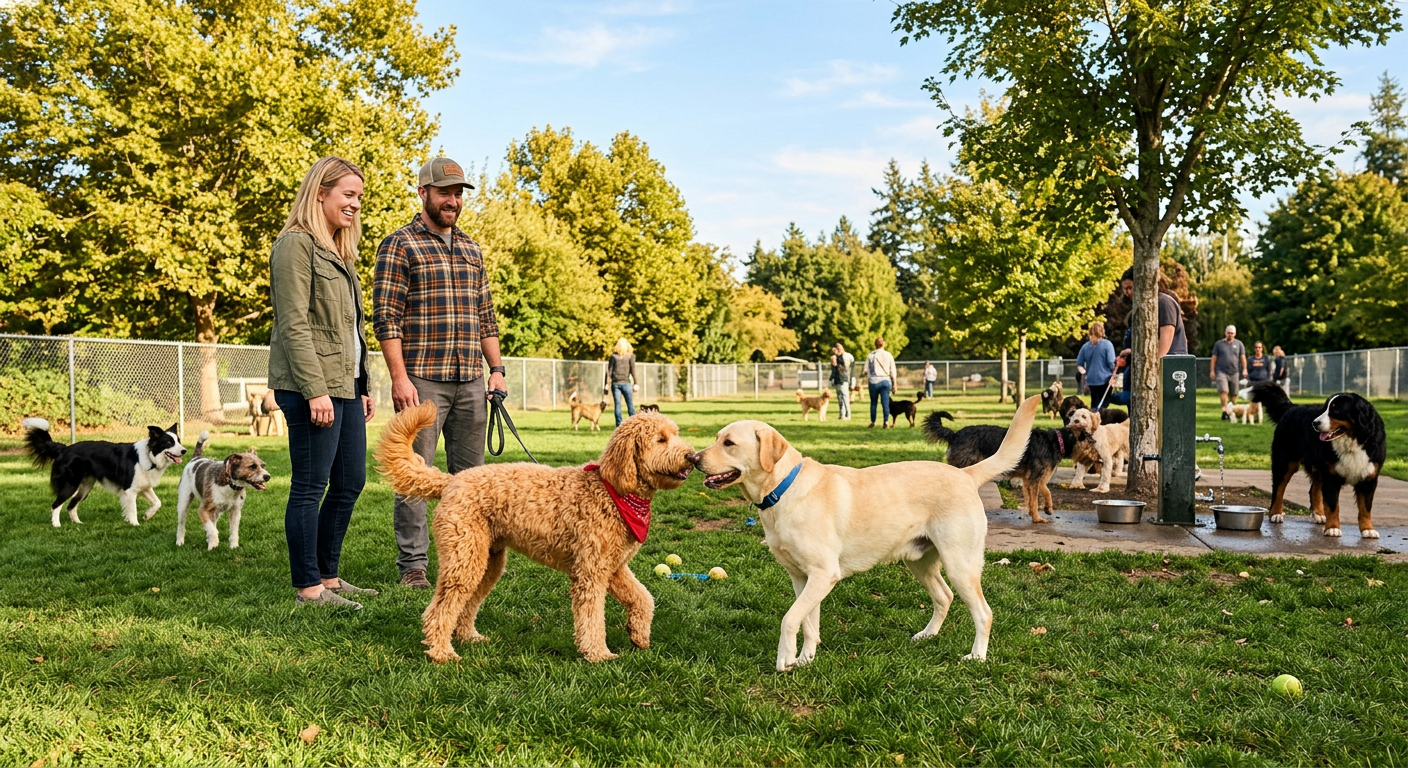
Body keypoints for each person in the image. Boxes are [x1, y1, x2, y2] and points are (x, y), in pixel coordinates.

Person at [374, 157, 507, 590]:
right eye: (444, 192)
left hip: (471, 378)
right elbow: (387, 318)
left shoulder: (471, 248)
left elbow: (486, 316)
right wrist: (399, 377)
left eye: (458, 193)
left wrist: (497, 371)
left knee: (474, 480)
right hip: (422, 380)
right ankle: (413, 566)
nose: (453, 200)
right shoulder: (399, 245)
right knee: (415, 475)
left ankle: (474, 559)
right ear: (423, 193)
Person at [268, 156, 378, 610]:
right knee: (310, 485)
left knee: (351, 480)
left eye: (358, 197)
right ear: (320, 193)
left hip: (345, 383)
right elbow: (294, 324)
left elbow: (350, 328)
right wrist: (316, 390)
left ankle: (330, 577)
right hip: (311, 385)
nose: (355, 204)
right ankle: (308, 588)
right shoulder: (296, 245)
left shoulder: (338, 251)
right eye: (347, 195)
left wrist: (363, 383)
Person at [1075, 322, 1117, 408]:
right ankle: (1098, 418)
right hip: (1098, 380)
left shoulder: (1104, 345)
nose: (1095, 339)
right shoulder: (1106, 345)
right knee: (1101, 405)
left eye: (1097, 336)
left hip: (1101, 381)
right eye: (1093, 336)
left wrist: (1113, 377)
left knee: (1097, 404)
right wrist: (1083, 372)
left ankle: (1097, 418)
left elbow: (1079, 364)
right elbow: (1112, 363)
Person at [1210, 325, 1247, 419]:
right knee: (1224, 391)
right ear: (1225, 333)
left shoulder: (1239, 344)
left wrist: (1244, 369)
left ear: (1235, 334)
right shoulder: (1219, 344)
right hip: (1221, 371)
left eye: (1232, 333)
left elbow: (1242, 358)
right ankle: (1224, 410)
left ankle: (1232, 410)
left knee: (1234, 393)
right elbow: (1214, 358)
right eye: (1228, 333)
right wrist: (1212, 371)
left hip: (1234, 372)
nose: (1230, 335)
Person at [865, 337, 898, 428]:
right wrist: (895, 384)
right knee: (885, 402)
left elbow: (865, 370)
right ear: (884, 344)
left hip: (874, 381)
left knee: (873, 403)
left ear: (875, 344)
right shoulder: (888, 355)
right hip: (885, 381)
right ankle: (886, 421)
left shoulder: (871, 355)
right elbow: (893, 371)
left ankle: (873, 421)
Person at [605, 338, 638, 426]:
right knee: (622, 405)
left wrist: (636, 383)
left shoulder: (630, 356)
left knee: (626, 405)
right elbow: (609, 371)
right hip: (617, 384)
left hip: (624, 383)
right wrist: (607, 384)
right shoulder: (614, 356)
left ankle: (630, 424)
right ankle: (623, 426)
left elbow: (632, 370)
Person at [830, 343, 855, 420]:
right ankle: (842, 414)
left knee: (845, 397)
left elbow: (844, 367)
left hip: (843, 379)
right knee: (840, 398)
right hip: (837, 379)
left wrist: (852, 381)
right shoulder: (834, 357)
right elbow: (834, 369)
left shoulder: (846, 357)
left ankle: (848, 415)